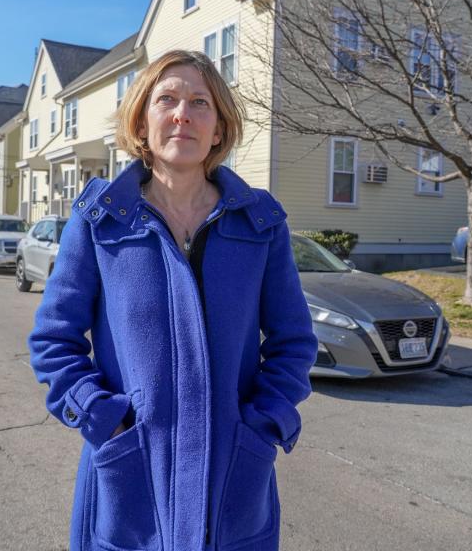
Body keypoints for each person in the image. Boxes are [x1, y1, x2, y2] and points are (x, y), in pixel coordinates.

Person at [29, 49, 317, 551]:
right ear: (142, 122)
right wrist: (104, 419)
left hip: (234, 473)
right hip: (132, 472)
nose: (183, 114)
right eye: (167, 99)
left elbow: (294, 341)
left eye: (200, 103)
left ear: (219, 130)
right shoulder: (101, 221)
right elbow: (54, 342)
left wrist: (264, 421)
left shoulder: (260, 224)